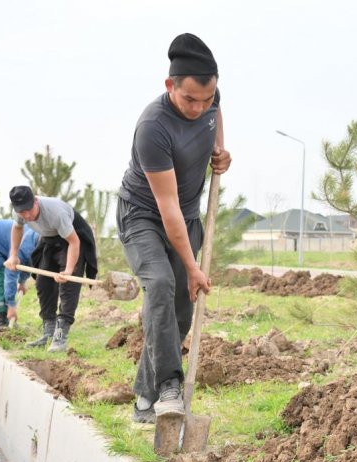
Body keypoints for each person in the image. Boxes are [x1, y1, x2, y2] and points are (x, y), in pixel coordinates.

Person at [116, 33, 231, 423]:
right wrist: (193, 266)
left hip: (188, 215)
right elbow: (167, 208)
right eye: (189, 100)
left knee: (180, 310)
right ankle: (169, 386)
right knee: (163, 284)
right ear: (170, 86)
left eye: (206, 98)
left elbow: (216, 117)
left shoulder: (211, 101)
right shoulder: (153, 126)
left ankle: (144, 401)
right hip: (144, 215)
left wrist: (221, 151)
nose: (199, 107)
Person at [4, 186, 98, 353]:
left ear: (36, 201)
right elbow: (17, 228)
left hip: (73, 238)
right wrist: (13, 255)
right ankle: (48, 332)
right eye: (21, 212)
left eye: (28, 210)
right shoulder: (19, 213)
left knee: (68, 285)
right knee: (43, 283)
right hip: (49, 238)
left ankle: (60, 336)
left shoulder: (56, 213)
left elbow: (74, 242)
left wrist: (69, 270)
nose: (26, 215)